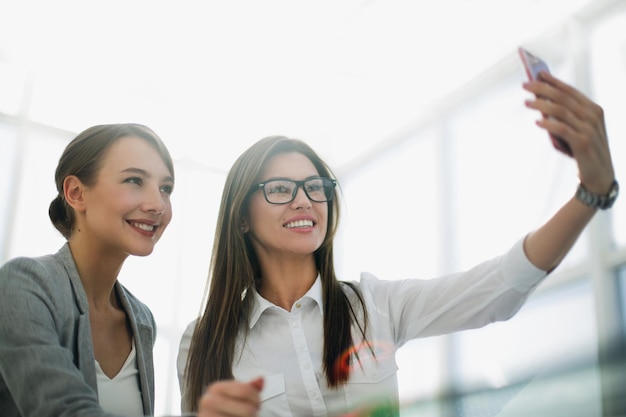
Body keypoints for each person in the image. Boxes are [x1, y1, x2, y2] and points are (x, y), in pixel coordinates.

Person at [177, 70, 618, 417]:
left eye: (315, 187)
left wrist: (590, 194)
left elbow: (498, 288)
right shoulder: (204, 342)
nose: (304, 202)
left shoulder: (375, 306)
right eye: (279, 189)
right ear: (241, 219)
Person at [0, 123, 262, 417]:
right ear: (76, 193)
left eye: (166, 188)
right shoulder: (24, 285)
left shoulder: (141, 319)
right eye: (134, 180)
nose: (158, 205)